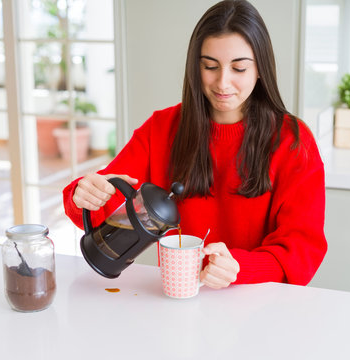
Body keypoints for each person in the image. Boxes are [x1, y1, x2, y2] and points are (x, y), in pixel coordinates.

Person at [63, 0, 327, 289]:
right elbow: (109, 199)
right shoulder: (162, 128)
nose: (223, 83)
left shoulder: (292, 140)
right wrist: (85, 194)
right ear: (195, 67)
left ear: (260, 69)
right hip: (180, 297)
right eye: (210, 67)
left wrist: (240, 268)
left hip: (259, 301)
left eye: (239, 68)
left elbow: (302, 248)